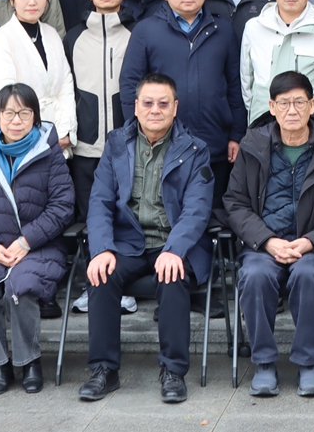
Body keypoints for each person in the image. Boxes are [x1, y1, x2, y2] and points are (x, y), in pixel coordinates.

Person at [79, 73, 216, 405]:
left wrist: (175, 250)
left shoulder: (195, 150)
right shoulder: (116, 145)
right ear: (136, 107)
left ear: (175, 108)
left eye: (163, 104)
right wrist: (102, 249)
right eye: (149, 103)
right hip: (127, 244)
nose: (156, 110)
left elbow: (197, 209)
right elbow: (99, 201)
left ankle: (173, 371)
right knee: (101, 275)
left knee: (172, 276)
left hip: (172, 244)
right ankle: (103, 369)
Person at [226, 72, 314, 398]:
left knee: (308, 274)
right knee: (255, 275)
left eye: (299, 102)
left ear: (313, 105)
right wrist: (267, 241)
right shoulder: (252, 147)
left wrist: (311, 241)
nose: (292, 110)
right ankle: (263, 363)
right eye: (284, 103)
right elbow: (235, 204)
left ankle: (308, 363)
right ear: (271, 107)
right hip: (264, 244)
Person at [0, 84, 75, 395]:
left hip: (39, 246)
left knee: (20, 288)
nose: (16, 120)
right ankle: (0, 363)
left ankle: (29, 361)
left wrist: (26, 241)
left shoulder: (49, 154)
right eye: (9, 113)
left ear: (35, 117)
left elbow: (62, 206)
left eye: (24, 113)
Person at [120, 0, 247, 201]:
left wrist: (236, 134)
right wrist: (138, 133)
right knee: (165, 213)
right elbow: (130, 86)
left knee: (212, 212)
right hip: (161, 144)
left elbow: (235, 86)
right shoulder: (146, 30)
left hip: (214, 143)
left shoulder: (222, 31)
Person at [0, 0, 77, 167]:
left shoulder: (52, 34)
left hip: (57, 136)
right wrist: (39, 136)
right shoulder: (1, 38)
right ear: (12, 0)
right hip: (19, 137)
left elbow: (65, 85)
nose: (32, 2)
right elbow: (5, 94)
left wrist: (64, 131)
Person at [64, 0, 132, 222]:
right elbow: (65, 90)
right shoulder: (73, 37)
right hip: (85, 148)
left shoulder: (137, 34)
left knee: (127, 218)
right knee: (88, 218)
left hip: (128, 146)